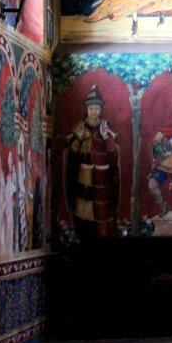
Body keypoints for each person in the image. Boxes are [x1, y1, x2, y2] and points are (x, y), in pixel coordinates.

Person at [63, 85, 121, 240]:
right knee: (84, 218)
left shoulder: (107, 129)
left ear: (100, 110)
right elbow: (72, 156)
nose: (93, 112)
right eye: (91, 108)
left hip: (102, 181)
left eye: (96, 108)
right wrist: (79, 139)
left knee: (102, 222)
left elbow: (114, 155)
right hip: (83, 180)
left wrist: (106, 137)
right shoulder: (79, 129)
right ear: (86, 110)